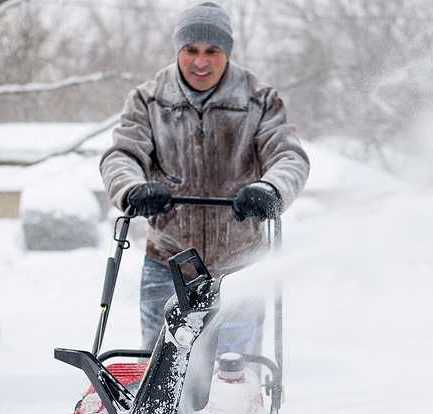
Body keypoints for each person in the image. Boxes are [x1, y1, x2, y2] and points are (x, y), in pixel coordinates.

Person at [100, 1, 310, 360]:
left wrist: (269, 190)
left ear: (226, 51)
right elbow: (122, 155)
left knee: (235, 374)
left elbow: (289, 156)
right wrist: (133, 188)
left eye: (212, 51)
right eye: (190, 50)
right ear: (178, 50)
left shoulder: (259, 100)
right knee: (161, 375)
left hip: (239, 264)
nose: (200, 61)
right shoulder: (148, 100)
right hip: (168, 261)